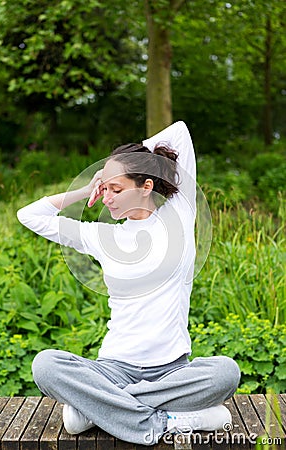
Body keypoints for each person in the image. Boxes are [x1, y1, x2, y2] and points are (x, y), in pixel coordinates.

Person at [17, 121, 240, 446]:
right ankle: (162, 420)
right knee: (46, 365)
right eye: (104, 189)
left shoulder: (180, 214)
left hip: (172, 369)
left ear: (146, 186)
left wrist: (135, 157)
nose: (107, 198)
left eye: (116, 189)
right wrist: (85, 189)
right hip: (113, 367)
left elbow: (179, 132)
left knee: (226, 372)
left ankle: (98, 407)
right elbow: (30, 215)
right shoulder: (102, 235)